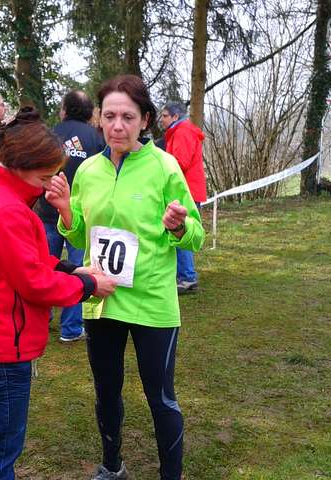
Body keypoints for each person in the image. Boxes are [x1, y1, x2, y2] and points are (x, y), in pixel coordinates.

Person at [46, 75, 205, 480]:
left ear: (145, 120)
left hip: (152, 302)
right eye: (110, 116)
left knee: (160, 398)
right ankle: (112, 466)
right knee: (106, 392)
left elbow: (196, 235)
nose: (117, 126)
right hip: (102, 299)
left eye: (128, 117)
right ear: (99, 119)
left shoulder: (164, 167)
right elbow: (80, 236)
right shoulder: (88, 171)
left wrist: (178, 227)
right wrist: (65, 211)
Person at [0, 107, 117, 480]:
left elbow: (25, 260)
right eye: (44, 177)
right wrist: (89, 286)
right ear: (20, 165)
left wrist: (72, 269)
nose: (46, 186)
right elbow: (35, 282)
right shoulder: (4, 210)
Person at [35, 90, 106, 342]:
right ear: (89, 111)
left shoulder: (49, 134)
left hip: (46, 212)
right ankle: (71, 328)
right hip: (81, 218)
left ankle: (40, 321)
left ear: (65, 110)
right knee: (79, 270)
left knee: (43, 268)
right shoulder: (97, 138)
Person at [160, 101, 207, 293]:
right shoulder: (179, 131)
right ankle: (183, 275)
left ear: (175, 116)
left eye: (164, 115)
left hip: (186, 190)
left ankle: (187, 278)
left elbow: (180, 163)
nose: (161, 119)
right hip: (184, 188)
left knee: (182, 230)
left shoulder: (183, 132)